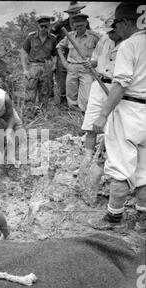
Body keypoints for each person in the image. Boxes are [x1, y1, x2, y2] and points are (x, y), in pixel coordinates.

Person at [88, 2, 146, 232]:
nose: (117, 30)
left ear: (126, 22)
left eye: (118, 24)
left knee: (120, 169)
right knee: (143, 171)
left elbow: (121, 83)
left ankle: (113, 219)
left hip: (129, 110)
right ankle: (142, 219)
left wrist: (102, 115)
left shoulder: (129, 45)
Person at [81, 16, 123, 162]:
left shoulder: (130, 43)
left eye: (112, 31)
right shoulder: (104, 39)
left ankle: (110, 159)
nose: (110, 34)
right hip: (99, 84)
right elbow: (95, 59)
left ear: (121, 27)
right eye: (108, 31)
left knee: (115, 126)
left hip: (119, 87)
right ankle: (87, 158)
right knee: (91, 123)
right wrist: (90, 63)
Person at [56, 13, 100, 112]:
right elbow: (59, 47)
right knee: (71, 95)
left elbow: (102, 52)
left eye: (81, 25)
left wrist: (94, 62)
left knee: (86, 96)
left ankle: (84, 114)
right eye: (77, 26)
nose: (79, 28)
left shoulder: (94, 36)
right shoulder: (69, 35)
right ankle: (75, 116)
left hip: (87, 69)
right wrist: (64, 63)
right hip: (72, 68)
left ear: (86, 23)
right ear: (73, 25)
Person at [52, 1, 89, 104]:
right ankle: (63, 105)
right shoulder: (61, 24)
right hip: (63, 55)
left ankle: (78, 105)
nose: (74, 15)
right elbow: (51, 37)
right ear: (69, 14)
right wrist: (54, 56)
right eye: (72, 13)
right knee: (62, 82)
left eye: (76, 12)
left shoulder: (85, 23)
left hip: (78, 56)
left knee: (77, 81)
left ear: (80, 11)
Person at [21, 16, 57, 112]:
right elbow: (23, 52)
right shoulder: (31, 37)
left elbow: (55, 54)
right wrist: (25, 70)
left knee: (45, 92)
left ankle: (42, 113)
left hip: (46, 67)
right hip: (33, 66)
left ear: (49, 26)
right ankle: (29, 113)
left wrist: (54, 66)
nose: (44, 28)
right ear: (38, 26)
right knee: (30, 91)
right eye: (42, 26)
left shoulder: (53, 39)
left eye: (46, 26)